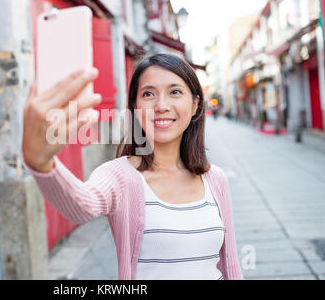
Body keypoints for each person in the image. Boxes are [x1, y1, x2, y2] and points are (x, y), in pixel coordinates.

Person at [22, 53, 243, 280]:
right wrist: (41, 163)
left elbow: (231, 265)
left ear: (196, 104)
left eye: (175, 92)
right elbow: (81, 206)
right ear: (135, 107)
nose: (161, 106)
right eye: (148, 94)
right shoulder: (119, 176)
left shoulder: (215, 178)